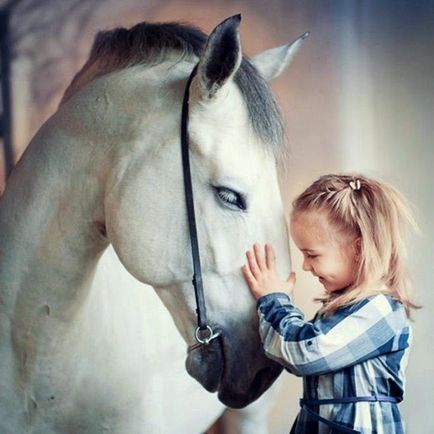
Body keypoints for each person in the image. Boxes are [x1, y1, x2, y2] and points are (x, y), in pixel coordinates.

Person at [242, 174, 418, 434]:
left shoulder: (381, 310)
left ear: (358, 249)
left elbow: (304, 353)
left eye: (311, 254)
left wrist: (274, 301)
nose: (305, 266)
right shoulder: (341, 310)